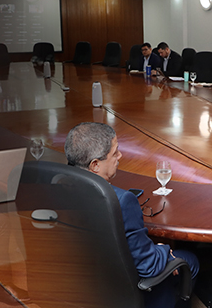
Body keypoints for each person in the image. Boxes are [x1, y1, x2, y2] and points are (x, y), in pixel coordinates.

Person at [65, 122, 199, 308]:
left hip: (81, 283)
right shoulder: (122, 201)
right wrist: (162, 249)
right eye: (115, 153)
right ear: (95, 165)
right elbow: (148, 266)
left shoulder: (57, 188)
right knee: (189, 261)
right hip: (123, 289)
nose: (120, 156)